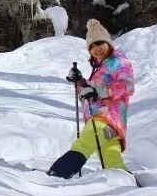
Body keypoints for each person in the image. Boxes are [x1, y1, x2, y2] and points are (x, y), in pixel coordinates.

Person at [47, 19, 135, 179]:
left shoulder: (118, 61)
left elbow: (128, 86)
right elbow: (90, 96)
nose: (96, 49)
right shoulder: (101, 68)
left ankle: (56, 175)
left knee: (83, 144)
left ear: (108, 43)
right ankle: (133, 188)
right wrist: (80, 81)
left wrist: (96, 90)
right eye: (92, 46)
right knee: (112, 161)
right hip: (112, 124)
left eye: (99, 43)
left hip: (106, 117)